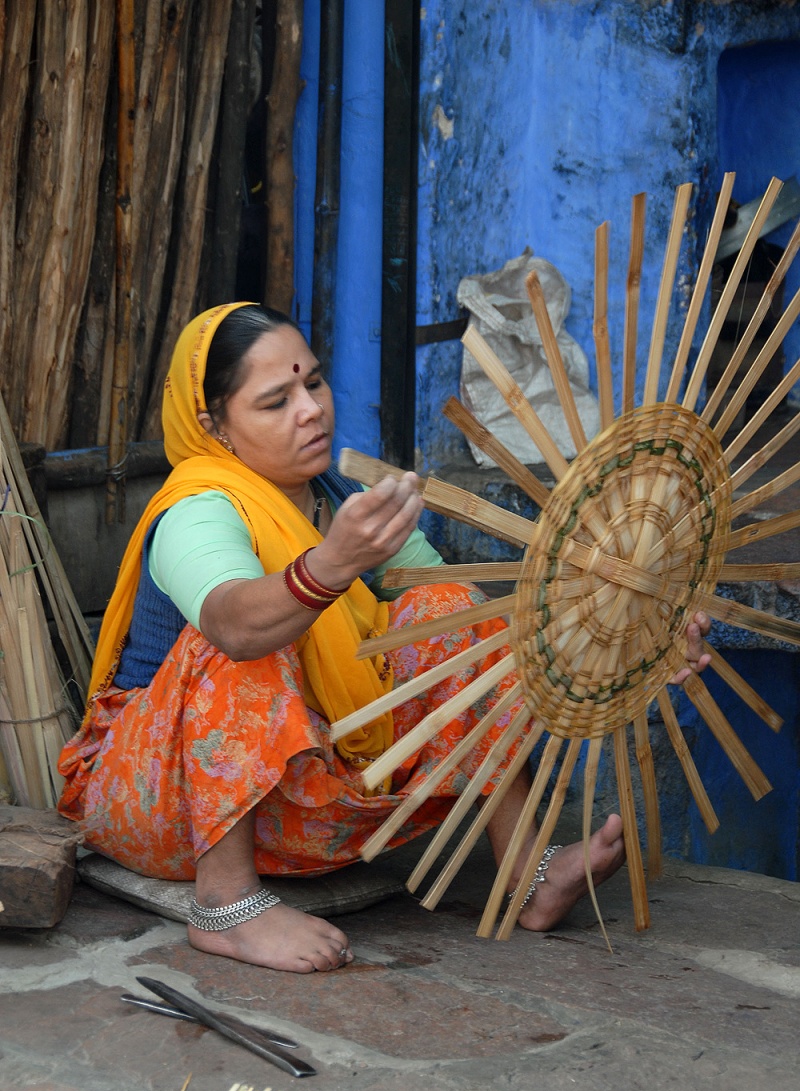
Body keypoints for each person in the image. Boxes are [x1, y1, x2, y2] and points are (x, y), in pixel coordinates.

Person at [58, 302, 711, 974]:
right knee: (242, 640)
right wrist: (328, 567)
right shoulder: (198, 508)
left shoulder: (342, 498)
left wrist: (625, 634)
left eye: (312, 383)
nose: (310, 410)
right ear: (213, 426)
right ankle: (226, 906)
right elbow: (232, 622)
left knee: (446, 606)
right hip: (158, 804)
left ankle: (527, 871)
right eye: (275, 401)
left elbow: (475, 627)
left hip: (304, 797)